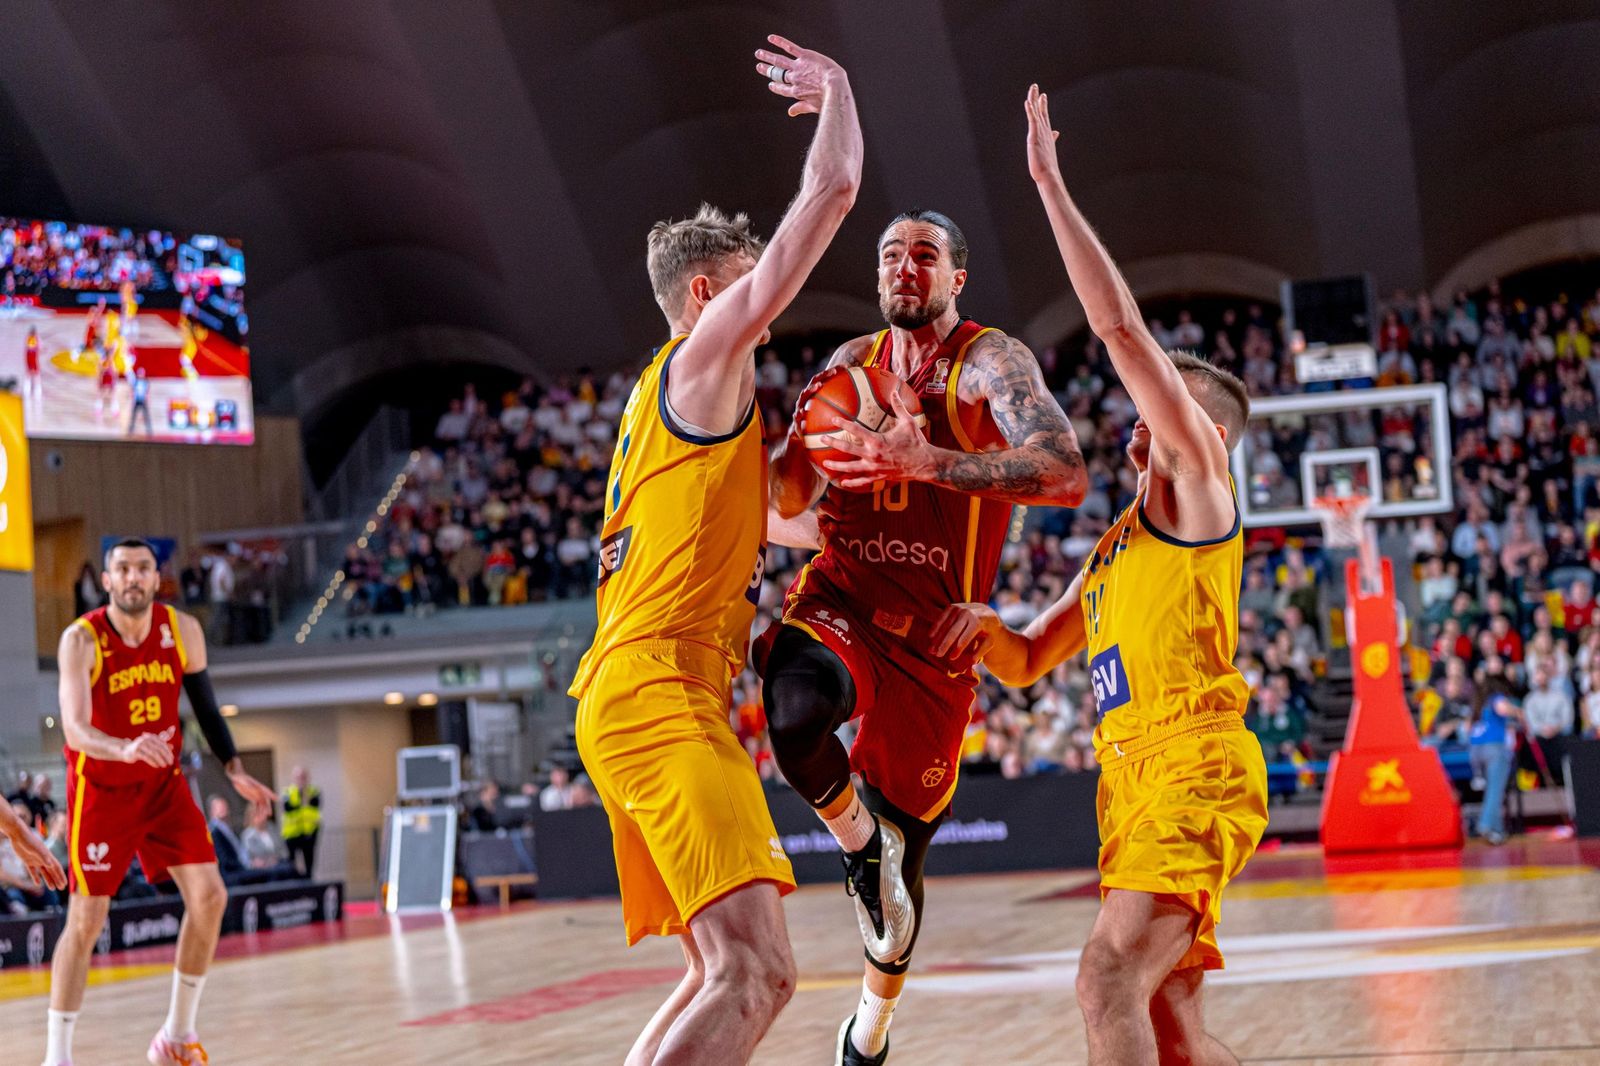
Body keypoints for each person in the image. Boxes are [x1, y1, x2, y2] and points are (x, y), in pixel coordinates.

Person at [932, 87, 1267, 1065]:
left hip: (1192, 767)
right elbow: (1034, 657)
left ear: (1200, 432)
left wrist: (1046, 182)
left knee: (1104, 977)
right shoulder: (1120, 540)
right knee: (1169, 1028)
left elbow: (1120, 332)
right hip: (1128, 781)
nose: (1141, 404)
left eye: (1169, 398)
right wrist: (980, 627)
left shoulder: (1200, 494)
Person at [564, 35, 861, 1066]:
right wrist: (840, 99)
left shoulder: (680, 408)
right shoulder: (701, 359)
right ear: (704, 296)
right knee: (757, 972)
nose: (760, 306)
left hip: (641, 690)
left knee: (715, 968)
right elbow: (828, 197)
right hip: (656, 692)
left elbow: (793, 517)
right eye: (742, 284)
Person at [761, 200, 1086, 1060]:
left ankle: (869, 1029)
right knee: (791, 713)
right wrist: (798, 436)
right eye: (890, 255)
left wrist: (929, 461)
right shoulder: (845, 366)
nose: (904, 267)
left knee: (907, 870)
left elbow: (1064, 472)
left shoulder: (987, 362)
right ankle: (857, 847)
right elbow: (789, 500)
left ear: (955, 277)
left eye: (924, 255)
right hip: (845, 596)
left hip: (935, 643)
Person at [44, 537, 276, 1066]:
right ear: (106, 581)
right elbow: (76, 730)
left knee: (211, 896)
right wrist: (123, 748)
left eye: (142, 569)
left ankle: (176, 1034)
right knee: (86, 919)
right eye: (121, 569)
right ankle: (57, 1056)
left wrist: (235, 769)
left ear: (156, 578)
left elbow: (206, 708)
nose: (132, 578)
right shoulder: (81, 640)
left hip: (163, 784)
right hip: (102, 789)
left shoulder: (182, 629)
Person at [0, 797, 65, 915]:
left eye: (24, 816)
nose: (21, 820)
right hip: (11, 886)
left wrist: (34, 883)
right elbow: (2, 875)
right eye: (18, 816)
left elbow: (39, 866)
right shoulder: (3, 837)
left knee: (50, 892)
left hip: (30, 882)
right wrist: (26, 885)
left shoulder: (34, 835)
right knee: (14, 898)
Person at [280, 765, 321, 878]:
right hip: (292, 834)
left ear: (307, 777)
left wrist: (302, 801)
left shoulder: (314, 791)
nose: (301, 780)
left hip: (309, 833)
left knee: (309, 862)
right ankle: (293, 885)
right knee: (291, 863)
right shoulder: (287, 792)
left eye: (303, 777)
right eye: (298, 777)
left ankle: (309, 884)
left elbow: (316, 804)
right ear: (293, 778)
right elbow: (288, 808)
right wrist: (303, 801)